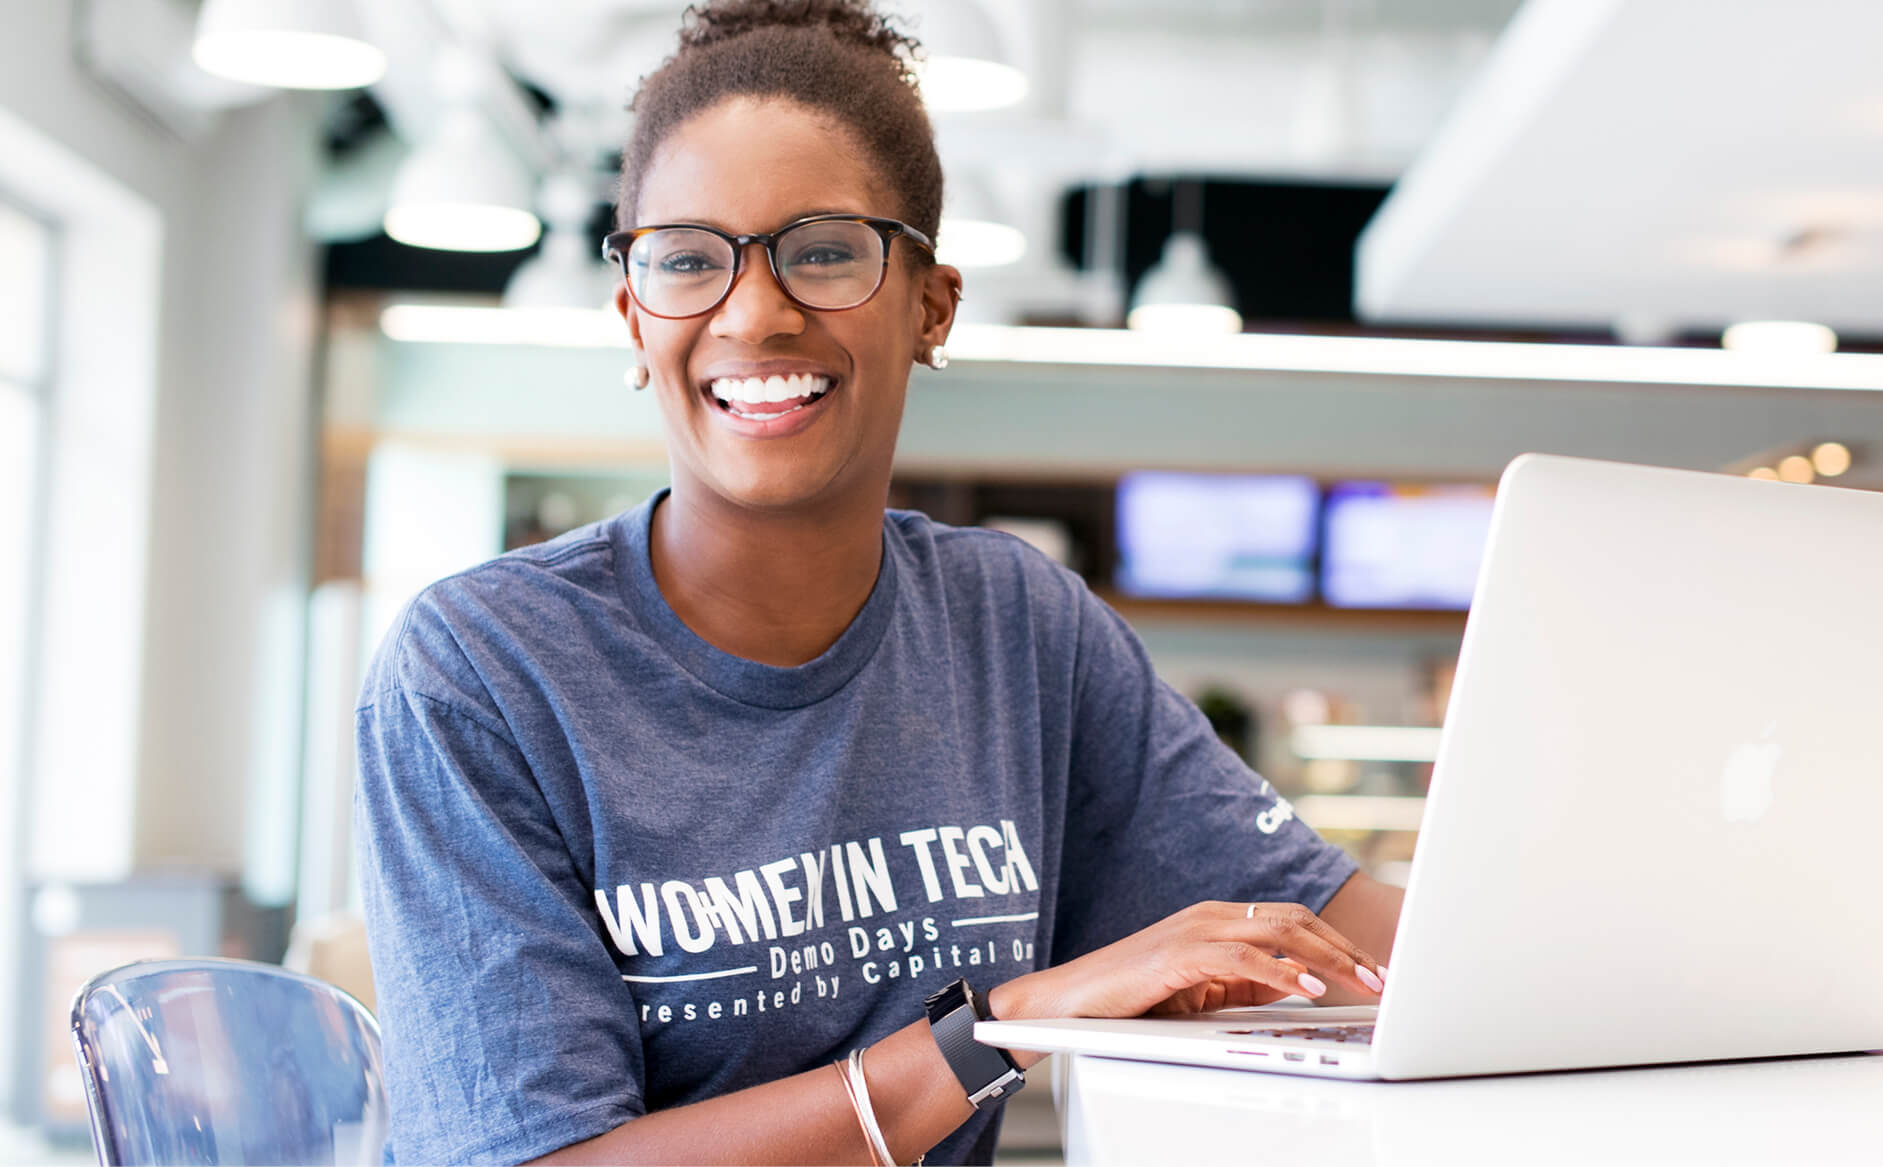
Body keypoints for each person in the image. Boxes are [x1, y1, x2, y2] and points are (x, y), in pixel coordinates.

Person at [353, 1, 1404, 1163]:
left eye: (823, 253)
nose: (752, 313)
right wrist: (993, 1031)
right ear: (635, 318)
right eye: (688, 262)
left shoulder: (1017, 628)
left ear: (931, 307)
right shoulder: (482, 669)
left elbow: (1362, 955)